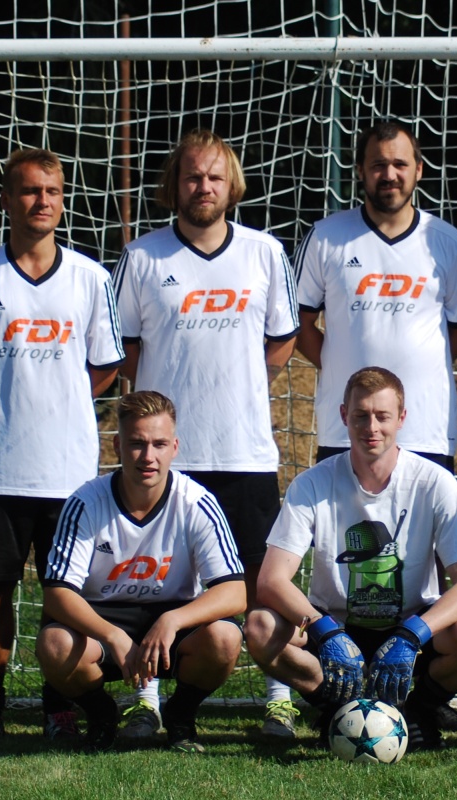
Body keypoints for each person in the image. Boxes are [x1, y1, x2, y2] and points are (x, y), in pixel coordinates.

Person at [0, 148, 124, 742]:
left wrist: (62, 403)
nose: (43, 201)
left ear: (63, 201)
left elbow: (105, 365)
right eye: (31, 191)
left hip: (69, 472)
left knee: (66, 592)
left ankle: (58, 705)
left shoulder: (91, 278)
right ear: (7, 199)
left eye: (53, 191)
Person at [112, 129, 299, 738]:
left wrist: (235, 387)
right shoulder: (142, 257)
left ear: (232, 185)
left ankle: (279, 696)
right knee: (155, 579)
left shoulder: (265, 252)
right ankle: (146, 698)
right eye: (192, 176)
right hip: (166, 458)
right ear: (175, 184)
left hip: (243, 451)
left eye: (215, 177)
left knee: (262, 583)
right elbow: (126, 350)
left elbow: (282, 341)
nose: (204, 187)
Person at [245, 367, 457, 751]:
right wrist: (324, 630)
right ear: (344, 415)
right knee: (261, 626)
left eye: (382, 416)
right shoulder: (312, 483)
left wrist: (413, 634)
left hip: (410, 627)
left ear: (402, 418)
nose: (371, 427)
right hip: (335, 627)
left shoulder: (433, 482)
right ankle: (337, 706)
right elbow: (271, 580)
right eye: (361, 415)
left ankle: (417, 711)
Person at [37, 391, 246, 753]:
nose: (148, 456)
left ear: (174, 448)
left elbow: (235, 592)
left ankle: (181, 715)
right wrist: (113, 635)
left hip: (174, 620)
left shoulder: (197, 502)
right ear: (117, 446)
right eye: (137, 444)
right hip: (103, 620)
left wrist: (172, 621)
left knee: (225, 637)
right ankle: (101, 715)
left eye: (159, 444)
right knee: (55, 644)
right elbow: (57, 594)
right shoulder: (86, 502)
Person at [295, 120, 457, 475]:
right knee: (344, 515)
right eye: (378, 165)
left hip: (425, 431)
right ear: (360, 170)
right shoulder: (325, 237)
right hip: (345, 431)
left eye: (400, 164)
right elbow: (299, 323)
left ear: (418, 170)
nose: (389, 175)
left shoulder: (447, 242)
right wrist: (342, 364)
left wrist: (416, 363)